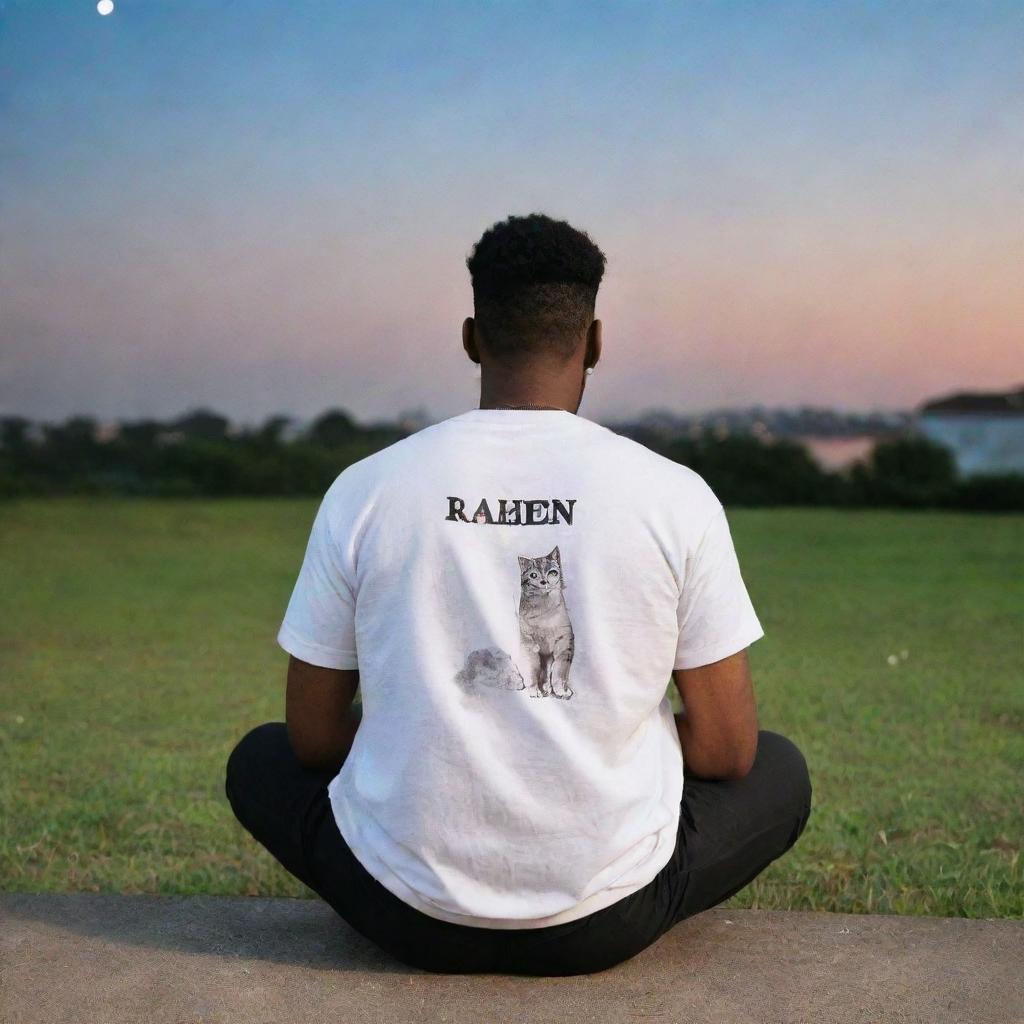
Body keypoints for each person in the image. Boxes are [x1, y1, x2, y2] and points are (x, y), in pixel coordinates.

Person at [225, 212, 812, 976]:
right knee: (781, 771)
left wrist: (420, 728)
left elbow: (310, 738)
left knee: (259, 759)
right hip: (605, 919)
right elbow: (727, 752)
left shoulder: (365, 489)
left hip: (403, 915)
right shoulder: (674, 495)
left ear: (471, 336)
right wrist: (616, 726)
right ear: (594, 341)